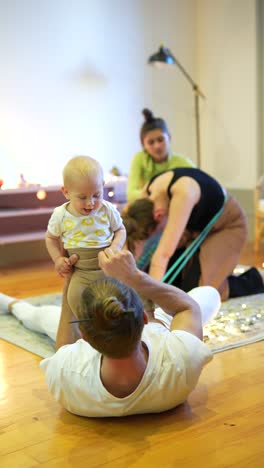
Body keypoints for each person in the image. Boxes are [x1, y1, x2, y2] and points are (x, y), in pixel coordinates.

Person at [0, 250, 221, 417]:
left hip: (137, 324)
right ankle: (11, 304)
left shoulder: (66, 373)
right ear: (143, 318)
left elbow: (64, 348)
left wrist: (71, 281)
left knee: (44, 317)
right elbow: (188, 307)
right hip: (160, 323)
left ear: (83, 336)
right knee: (209, 293)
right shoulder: (183, 359)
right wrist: (135, 277)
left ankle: (11, 305)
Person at [123, 167, 264, 301]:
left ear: (158, 215)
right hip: (196, 229)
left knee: (203, 291)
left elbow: (162, 256)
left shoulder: (183, 192)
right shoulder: (146, 197)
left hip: (225, 226)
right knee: (177, 283)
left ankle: (255, 279)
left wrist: (150, 302)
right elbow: (139, 249)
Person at [45, 155, 126, 312]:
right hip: (81, 272)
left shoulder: (107, 209)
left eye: (97, 195)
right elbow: (50, 238)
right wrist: (57, 259)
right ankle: (86, 328)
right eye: (82, 197)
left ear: (102, 186)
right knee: (74, 298)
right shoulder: (61, 214)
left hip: (107, 269)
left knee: (118, 298)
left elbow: (120, 230)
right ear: (66, 192)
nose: (90, 203)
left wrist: (115, 247)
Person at [126, 108, 195, 202]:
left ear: (169, 138)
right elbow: (130, 195)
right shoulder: (139, 159)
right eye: (151, 142)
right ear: (143, 145)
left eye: (160, 140)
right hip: (147, 209)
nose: (157, 146)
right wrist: (159, 195)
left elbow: (201, 184)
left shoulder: (182, 162)